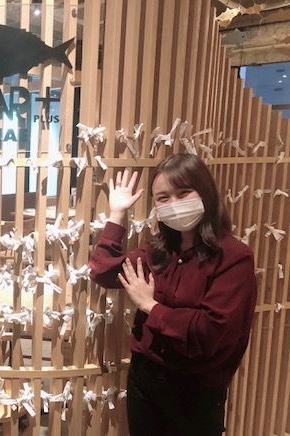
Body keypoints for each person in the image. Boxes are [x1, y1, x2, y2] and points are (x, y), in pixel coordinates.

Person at [88, 153, 257, 435]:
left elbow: (211, 332)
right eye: (163, 198)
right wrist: (117, 213)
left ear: (205, 193)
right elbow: (103, 271)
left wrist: (151, 306)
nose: (174, 204)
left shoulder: (233, 257)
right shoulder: (158, 251)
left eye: (183, 192)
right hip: (144, 378)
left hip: (196, 390)